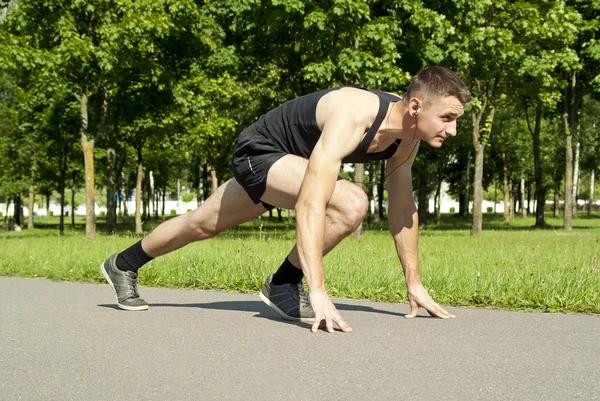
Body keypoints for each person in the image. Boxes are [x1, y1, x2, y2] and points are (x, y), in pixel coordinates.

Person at [101, 66, 471, 333]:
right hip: (259, 153)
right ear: (417, 107)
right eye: (448, 118)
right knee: (350, 202)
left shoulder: (406, 141)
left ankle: (123, 263)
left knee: (200, 223)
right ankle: (284, 283)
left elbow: (403, 211)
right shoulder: (354, 113)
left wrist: (415, 283)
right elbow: (313, 201)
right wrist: (318, 290)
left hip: (290, 165)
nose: (453, 130)